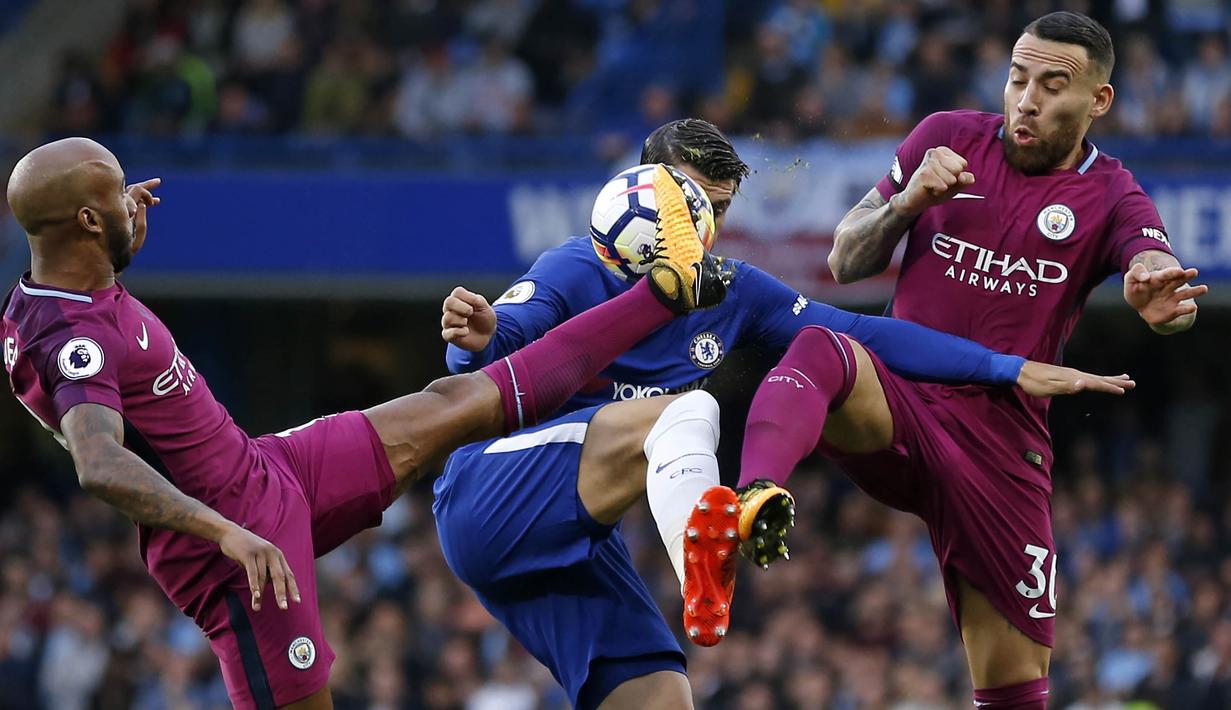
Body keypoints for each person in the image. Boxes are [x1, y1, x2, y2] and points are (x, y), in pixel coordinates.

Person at [0, 137, 723, 710]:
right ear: (87, 224)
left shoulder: (68, 280)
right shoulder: (70, 338)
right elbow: (99, 463)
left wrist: (118, 243)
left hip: (266, 467)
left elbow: (99, 322)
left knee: (454, 398)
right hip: (232, 548)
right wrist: (227, 534)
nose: (135, 198)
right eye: (116, 196)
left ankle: (663, 293)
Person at [435, 118, 1132, 709]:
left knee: (656, 694)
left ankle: (703, 556)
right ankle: (701, 549)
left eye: (718, 209)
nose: (702, 227)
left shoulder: (731, 292)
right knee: (680, 410)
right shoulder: (576, 268)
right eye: (686, 204)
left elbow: (867, 334)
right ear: (637, 193)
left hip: (577, 542)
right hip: (490, 495)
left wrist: (1004, 366)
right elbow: (498, 353)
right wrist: (478, 339)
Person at [738, 12, 1208, 710]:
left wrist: (1160, 295)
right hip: (900, 402)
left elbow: (1155, 265)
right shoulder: (945, 138)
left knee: (1014, 691)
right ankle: (749, 498)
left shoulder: (1111, 194)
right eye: (1018, 79)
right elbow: (843, 258)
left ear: (1097, 102)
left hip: (999, 448)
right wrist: (906, 203)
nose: (1026, 99)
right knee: (820, 346)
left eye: (1053, 86)